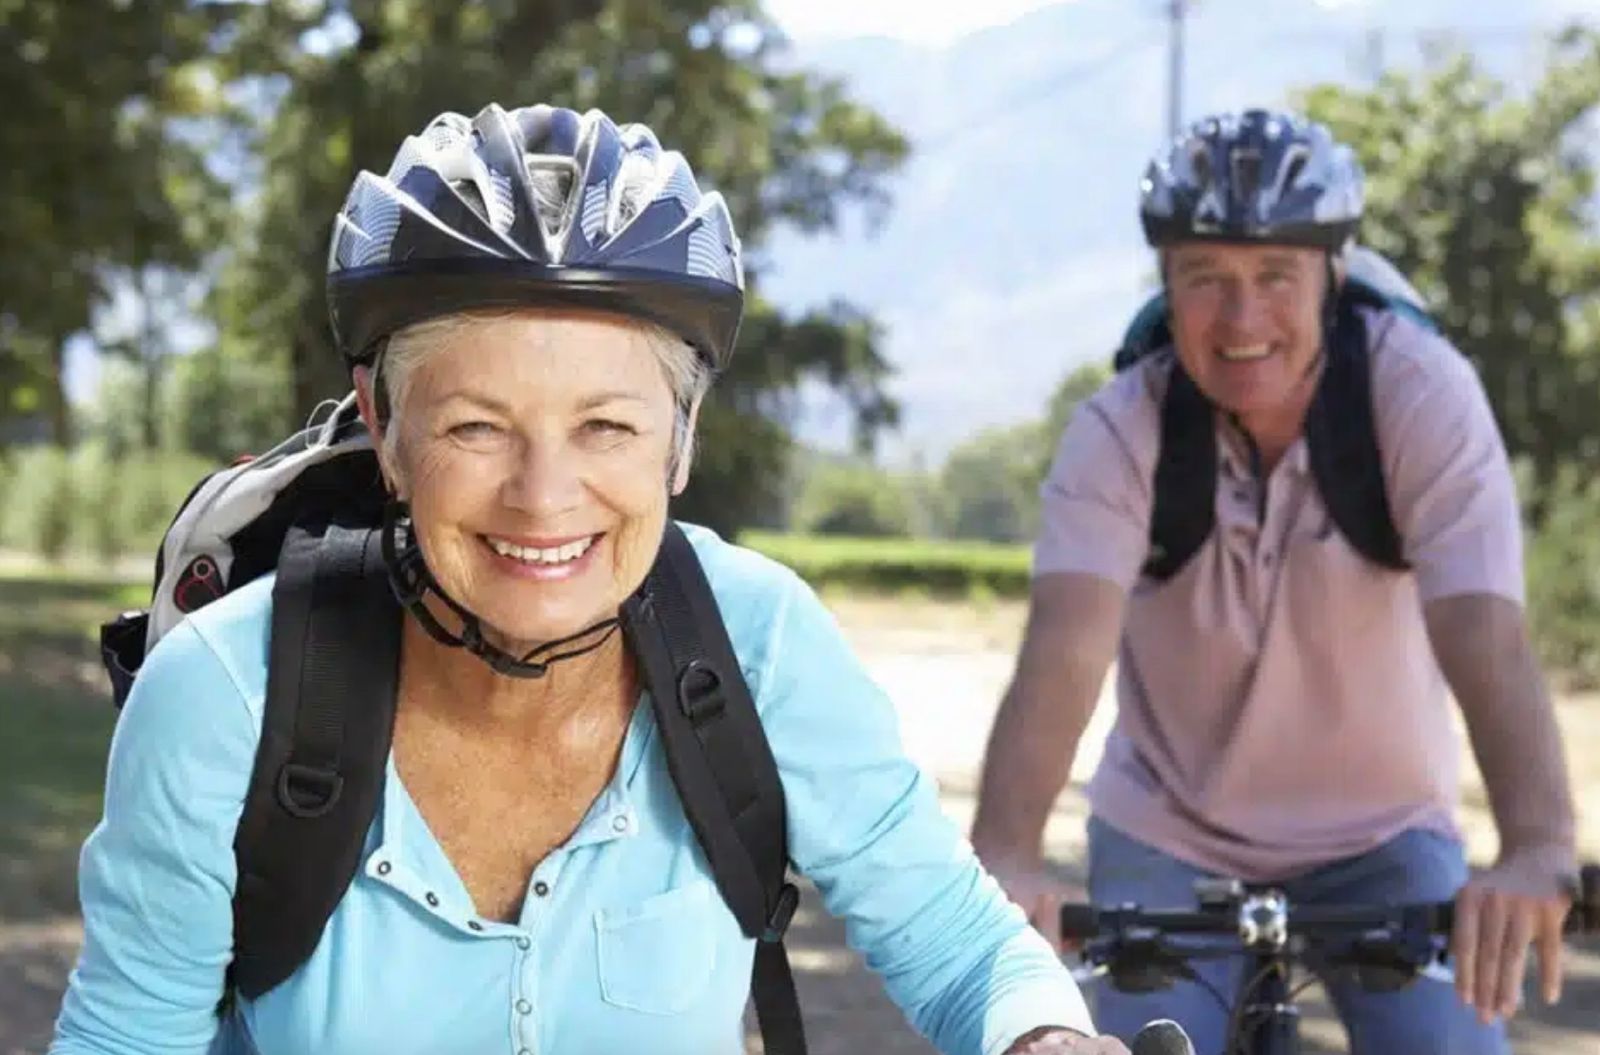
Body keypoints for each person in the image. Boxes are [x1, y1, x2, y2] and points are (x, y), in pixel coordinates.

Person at [48, 102, 1129, 1055]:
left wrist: (1043, 1033)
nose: (543, 497)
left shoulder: (757, 640)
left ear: (682, 433)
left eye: (606, 425)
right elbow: (127, 1034)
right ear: (384, 424)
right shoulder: (227, 691)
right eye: (476, 427)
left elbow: (957, 939)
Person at [969, 108, 1579, 1054]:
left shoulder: (1422, 395)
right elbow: (1063, 650)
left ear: (1332, 275)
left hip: (1384, 832)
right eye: (1205, 277)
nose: (1241, 318)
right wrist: (1006, 854)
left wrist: (1537, 845)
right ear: (1166, 285)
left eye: (1275, 277)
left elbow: (1485, 633)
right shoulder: (1122, 426)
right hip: (1169, 831)